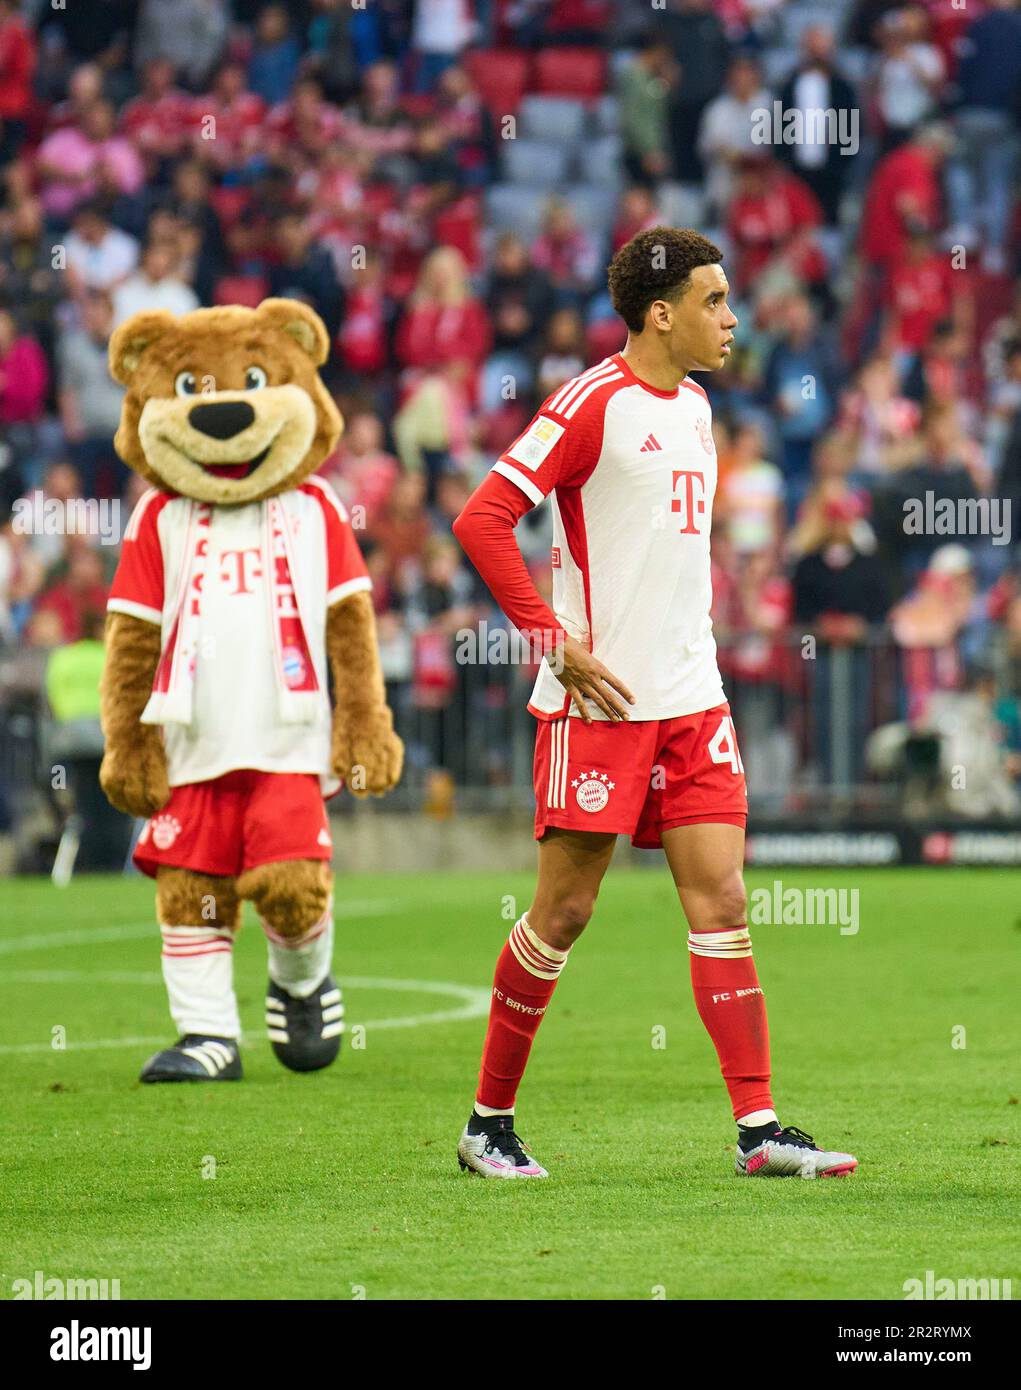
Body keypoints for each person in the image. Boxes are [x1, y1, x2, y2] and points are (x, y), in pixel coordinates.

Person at [451, 226, 858, 1180]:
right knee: (564, 912)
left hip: (691, 698)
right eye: (716, 301)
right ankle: (487, 1125)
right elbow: (482, 518)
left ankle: (757, 1132)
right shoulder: (588, 403)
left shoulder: (700, 409)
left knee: (720, 901)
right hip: (599, 707)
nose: (732, 317)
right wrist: (554, 642)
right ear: (661, 313)